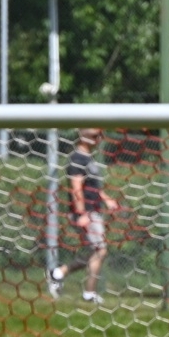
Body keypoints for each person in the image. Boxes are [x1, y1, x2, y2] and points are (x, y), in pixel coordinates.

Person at [50, 128, 119, 303]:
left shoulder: (88, 159)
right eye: (95, 136)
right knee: (100, 250)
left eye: (100, 135)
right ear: (82, 137)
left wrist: (107, 199)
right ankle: (89, 294)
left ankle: (58, 273)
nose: (99, 139)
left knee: (94, 252)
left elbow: (92, 187)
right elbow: (76, 188)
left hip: (93, 211)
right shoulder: (77, 159)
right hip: (86, 212)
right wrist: (81, 214)